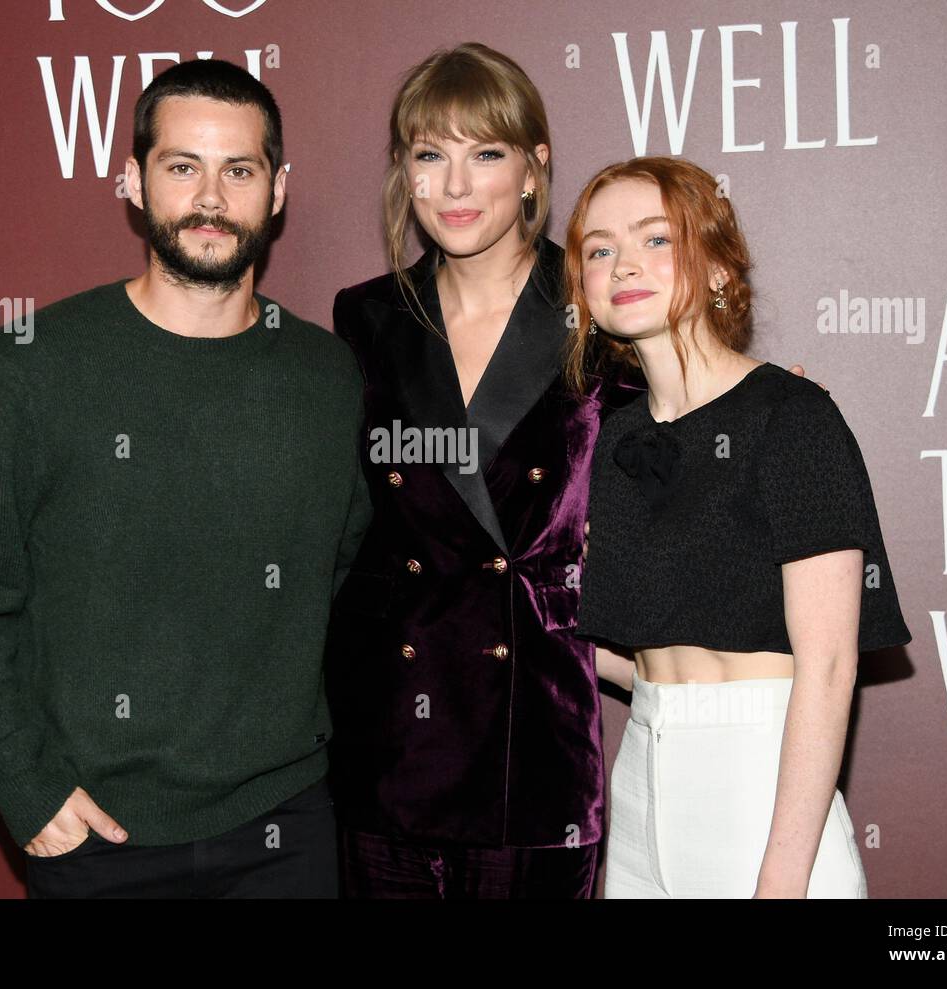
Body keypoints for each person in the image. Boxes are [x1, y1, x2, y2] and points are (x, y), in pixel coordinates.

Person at [323, 44, 809, 899]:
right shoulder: (366, 316)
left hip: (534, 740)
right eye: (431, 156)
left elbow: (696, 423)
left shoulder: (600, 303)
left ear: (535, 165)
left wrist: (766, 408)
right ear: (405, 173)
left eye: (487, 154)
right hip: (391, 739)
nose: (459, 186)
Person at [0, 58, 371, 898]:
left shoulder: (328, 377)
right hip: (95, 834)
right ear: (132, 179)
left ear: (278, 189)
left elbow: (339, 576)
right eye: (181, 166)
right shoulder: (32, 366)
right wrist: (26, 785)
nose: (210, 196)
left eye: (239, 169)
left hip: (286, 825)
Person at [566, 155, 912, 898]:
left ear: (720, 271)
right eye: (599, 249)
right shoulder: (614, 441)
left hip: (762, 788)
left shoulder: (792, 417)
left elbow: (828, 665)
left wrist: (782, 877)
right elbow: (645, 654)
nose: (623, 262)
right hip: (639, 793)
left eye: (655, 238)